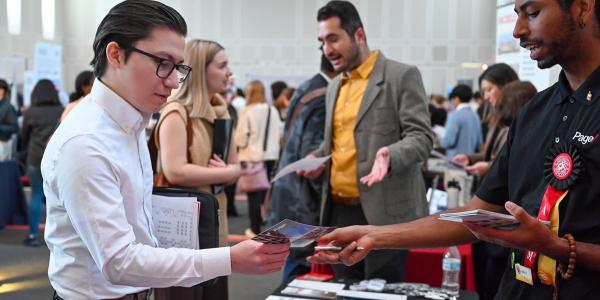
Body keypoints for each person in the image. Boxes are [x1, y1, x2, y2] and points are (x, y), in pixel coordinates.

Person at [309, 0, 600, 298]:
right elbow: (474, 214)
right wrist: (373, 235)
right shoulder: (534, 113)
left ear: (582, 7)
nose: (517, 30)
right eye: (516, 15)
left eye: (533, 13)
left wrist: (555, 248)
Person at [41, 1, 289, 299]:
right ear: (116, 54)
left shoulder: (130, 124)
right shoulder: (86, 142)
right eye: (162, 63)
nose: (172, 81)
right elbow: (119, 262)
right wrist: (230, 259)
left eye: (178, 67)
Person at [300, 0, 433, 282]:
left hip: (385, 212)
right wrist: (316, 158)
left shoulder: (402, 76)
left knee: (380, 290)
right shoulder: (334, 85)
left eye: (333, 39)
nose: (327, 49)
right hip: (338, 211)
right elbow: (334, 144)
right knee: (344, 287)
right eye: (322, 41)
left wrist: (390, 154)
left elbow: (422, 138)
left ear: (359, 35)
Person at [153, 39, 241, 300]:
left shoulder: (221, 113)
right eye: (223, 65)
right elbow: (176, 171)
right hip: (184, 235)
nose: (230, 72)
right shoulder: (176, 113)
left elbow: (236, 165)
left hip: (214, 225)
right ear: (201, 69)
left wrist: (232, 171)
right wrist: (228, 173)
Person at [267, 54, 338, 282]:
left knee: (293, 259)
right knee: (300, 266)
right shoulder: (323, 96)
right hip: (303, 196)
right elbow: (311, 156)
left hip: (288, 189)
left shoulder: (308, 87)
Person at [452, 64, 519, 177]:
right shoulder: (495, 116)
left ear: (506, 86)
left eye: (489, 89)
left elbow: (515, 160)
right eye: (484, 92)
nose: (486, 97)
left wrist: (488, 167)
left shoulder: (518, 119)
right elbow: (492, 153)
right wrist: (469, 158)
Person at [234, 80, 282, 237]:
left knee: (253, 195)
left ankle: (255, 229)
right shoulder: (272, 109)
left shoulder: (248, 110)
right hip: (272, 157)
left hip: (253, 157)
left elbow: (240, 138)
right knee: (267, 194)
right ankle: (268, 223)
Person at [20, 79, 64, 247]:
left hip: (34, 158)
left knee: (36, 196)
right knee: (56, 198)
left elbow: (23, 136)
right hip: (55, 160)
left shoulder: (30, 112)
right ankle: (56, 238)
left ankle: (33, 235)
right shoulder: (61, 110)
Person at [440, 84, 482, 159]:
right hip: (470, 160)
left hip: (455, 162)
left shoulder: (454, 115)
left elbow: (448, 142)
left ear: (456, 98)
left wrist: (441, 139)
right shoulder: (475, 115)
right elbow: (479, 141)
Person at [0, 79, 18, 161]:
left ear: (3, 91)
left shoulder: (8, 107)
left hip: (3, 144)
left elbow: (14, 127)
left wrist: (1, 127)